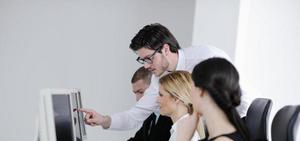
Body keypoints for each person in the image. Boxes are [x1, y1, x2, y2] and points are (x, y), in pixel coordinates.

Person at [81, 23, 252, 132]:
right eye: (142, 60)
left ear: (164, 49)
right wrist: (103, 120)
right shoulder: (160, 78)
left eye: (148, 58)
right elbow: (136, 115)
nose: (146, 65)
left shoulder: (205, 58)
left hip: (239, 129)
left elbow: (237, 104)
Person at [100, 67, 173, 141]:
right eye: (136, 93)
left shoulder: (171, 117)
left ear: (154, 88)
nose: (138, 99)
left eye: (141, 92)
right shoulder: (151, 114)